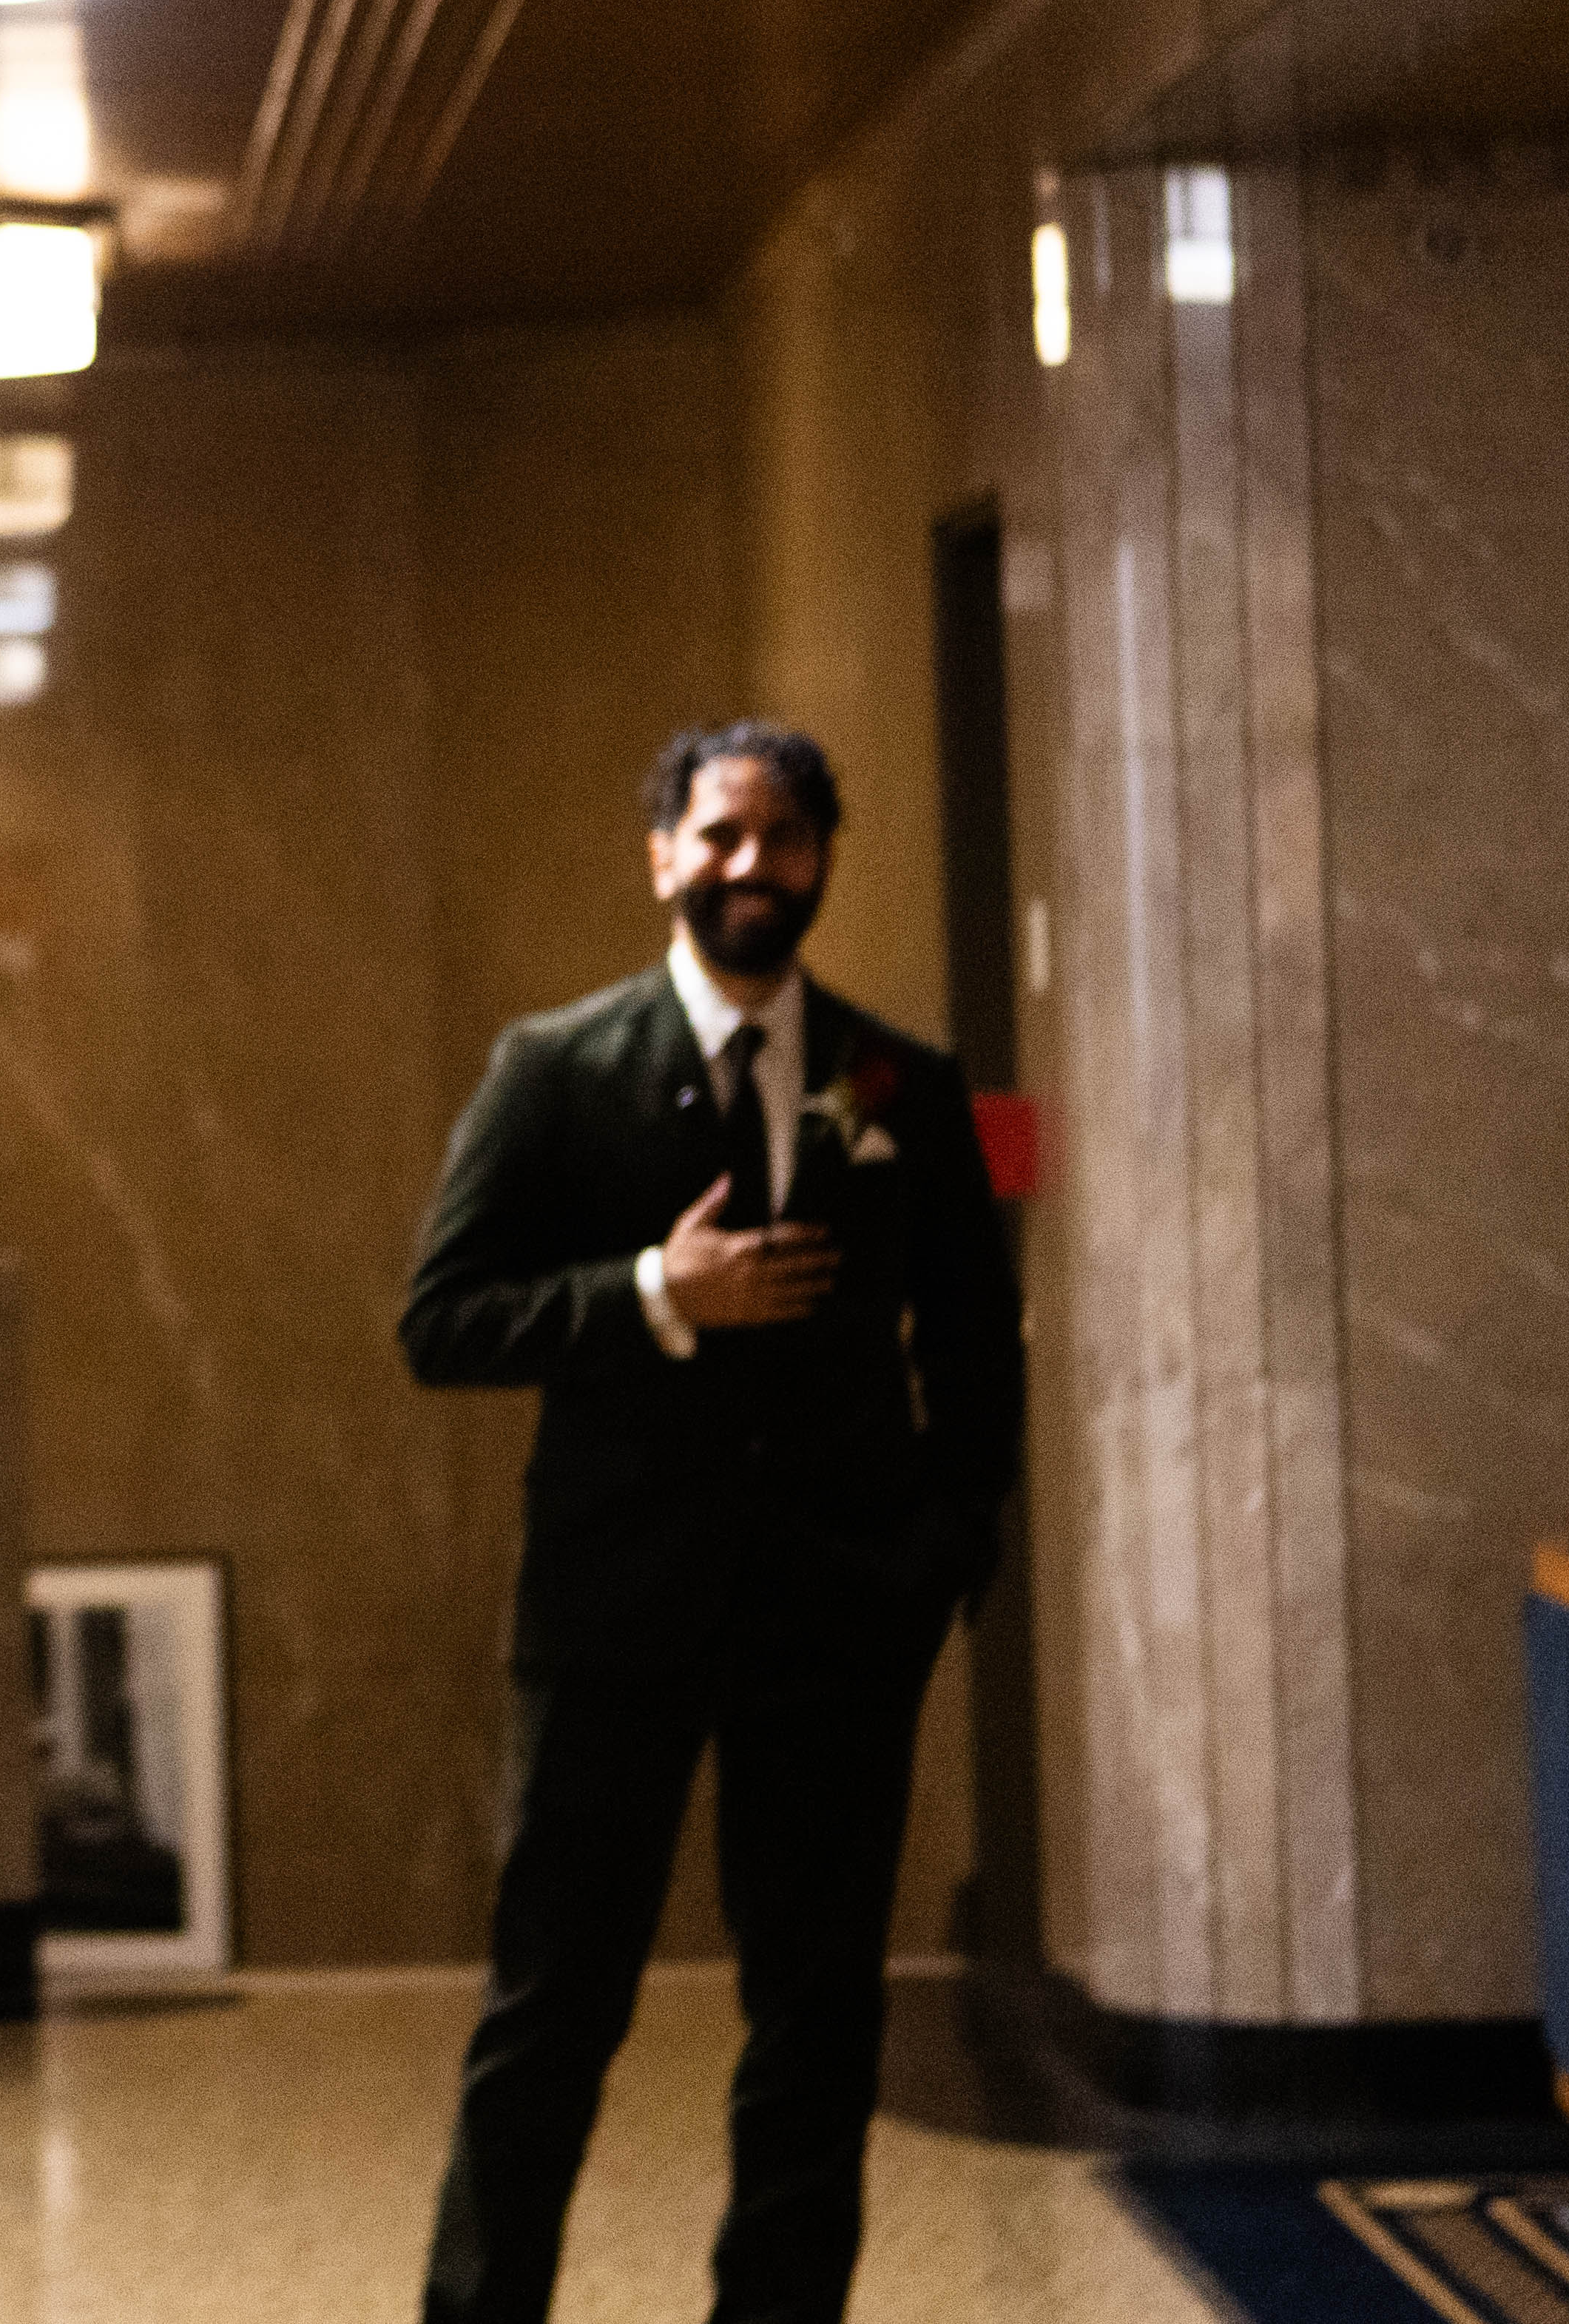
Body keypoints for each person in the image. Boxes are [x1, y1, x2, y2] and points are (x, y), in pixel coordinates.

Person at [397, 722, 1022, 2324]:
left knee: (817, 2017)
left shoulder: (902, 1082)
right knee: (553, 2001)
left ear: (822, 858)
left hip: (838, 1622)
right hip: (613, 1614)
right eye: (722, 835)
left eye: (787, 836)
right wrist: (649, 1294)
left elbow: (971, 1345)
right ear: (663, 855)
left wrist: (941, 1559)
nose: (755, 864)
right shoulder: (554, 1069)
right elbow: (443, 1319)